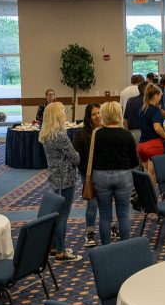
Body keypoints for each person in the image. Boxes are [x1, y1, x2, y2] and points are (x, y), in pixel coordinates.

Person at [39, 102, 82, 262]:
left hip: (55, 177)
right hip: (66, 179)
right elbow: (75, 157)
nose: (65, 113)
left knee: (57, 214)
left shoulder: (46, 134)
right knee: (63, 216)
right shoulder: (60, 136)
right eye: (63, 111)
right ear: (57, 115)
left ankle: (55, 246)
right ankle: (61, 251)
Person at [91, 101, 138, 244]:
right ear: (119, 114)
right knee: (123, 214)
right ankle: (125, 246)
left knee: (105, 215)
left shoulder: (96, 134)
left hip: (101, 175)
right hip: (123, 175)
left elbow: (91, 158)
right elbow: (134, 161)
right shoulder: (126, 134)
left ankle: (106, 248)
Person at [73, 102, 102, 248]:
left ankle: (110, 227)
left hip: (105, 174)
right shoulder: (81, 134)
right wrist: (87, 171)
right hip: (89, 175)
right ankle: (89, 233)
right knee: (92, 205)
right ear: (88, 117)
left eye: (99, 113)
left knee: (107, 203)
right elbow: (77, 158)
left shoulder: (105, 131)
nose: (97, 116)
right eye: (94, 114)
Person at [138, 83, 165, 181]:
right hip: (153, 145)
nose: (161, 97)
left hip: (141, 145)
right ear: (155, 96)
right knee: (153, 175)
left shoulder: (142, 109)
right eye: (160, 95)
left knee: (147, 174)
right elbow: (157, 127)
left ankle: (146, 194)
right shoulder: (155, 110)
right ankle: (152, 196)